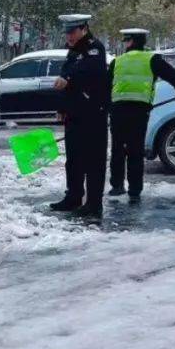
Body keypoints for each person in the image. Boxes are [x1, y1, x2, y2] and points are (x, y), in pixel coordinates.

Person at [108, 28, 175, 202]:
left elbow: (107, 85)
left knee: (118, 149)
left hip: (118, 110)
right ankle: (135, 189)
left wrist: (107, 107)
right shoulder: (152, 59)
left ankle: (116, 186)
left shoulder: (117, 61)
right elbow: (174, 76)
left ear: (130, 42)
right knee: (135, 150)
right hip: (139, 110)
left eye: (125, 41)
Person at [50, 14, 110, 221]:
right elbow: (66, 83)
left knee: (94, 160)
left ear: (84, 29)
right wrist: (61, 107)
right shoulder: (73, 52)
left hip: (93, 113)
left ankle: (94, 203)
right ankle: (73, 197)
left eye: (72, 32)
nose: (69, 36)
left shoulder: (95, 48)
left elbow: (89, 72)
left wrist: (68, 77)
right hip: (74, 114)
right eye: (67, 33)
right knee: (74, 159)